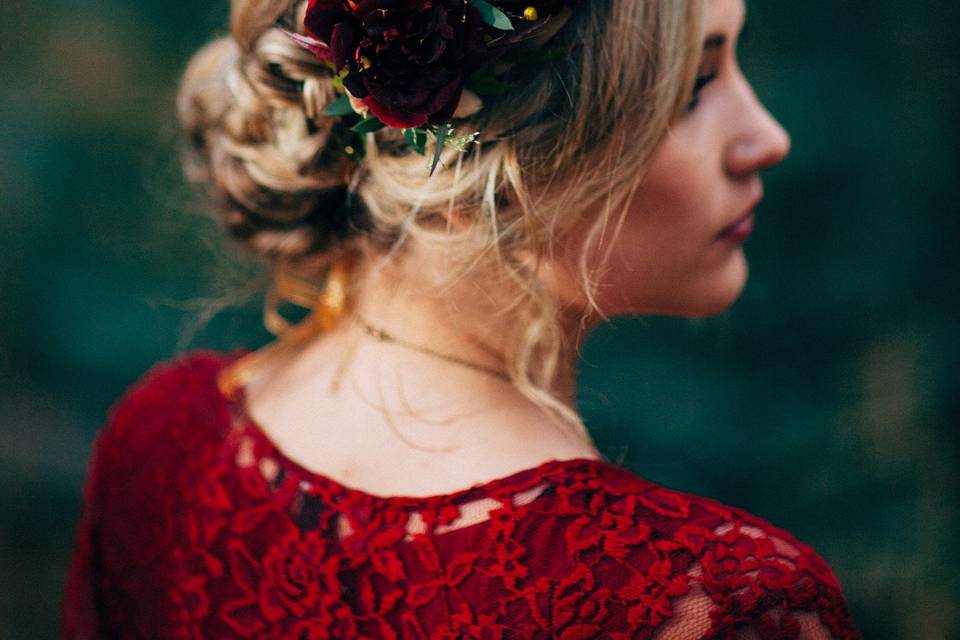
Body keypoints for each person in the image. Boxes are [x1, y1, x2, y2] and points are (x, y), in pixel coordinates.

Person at [62, 0, 861, 637]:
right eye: (694, 90)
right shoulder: (716, 609)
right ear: (485, 167)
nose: (767, 137)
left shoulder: (166, 441)